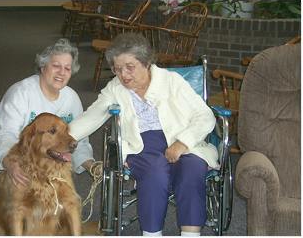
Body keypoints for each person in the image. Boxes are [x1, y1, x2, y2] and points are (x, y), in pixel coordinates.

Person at [69, 33, 218, 236]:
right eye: (117, 69)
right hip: (140, 145)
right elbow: (92, 117)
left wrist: (183, 142)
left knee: (192, 169)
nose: (124, 75)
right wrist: (64, 137)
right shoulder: (115, 88)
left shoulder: (172, 81)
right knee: (154, 173)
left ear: (146, 63)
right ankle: (151, 233)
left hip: (181, 140)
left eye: (130, 67)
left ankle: (191, 234)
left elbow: (205, 115)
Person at [0, 38, 98, 212]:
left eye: (67, 68)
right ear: (43, 66)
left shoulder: (72, 99)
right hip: (8, 159)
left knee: (59, 208)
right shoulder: (20, 93)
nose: (62, 72)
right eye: (56, 66)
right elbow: (4, 133)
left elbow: (78, 140)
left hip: (45, 163)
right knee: (18, 212)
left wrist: (90, 165)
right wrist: (11, 163)